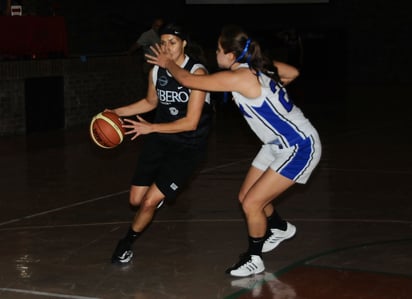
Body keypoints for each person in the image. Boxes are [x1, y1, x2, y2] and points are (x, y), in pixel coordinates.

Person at [146, 24, 322, 277]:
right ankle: (280, 227)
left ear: (230, 55)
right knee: (246, 197)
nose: (215, 53)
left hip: (299, 146)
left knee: (252, 203)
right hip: (275, 145)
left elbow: (188, 79)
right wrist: (269, 85)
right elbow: (292, 72)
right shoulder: (256, 68)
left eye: (218, 49)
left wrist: (167, 63)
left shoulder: (237, 76)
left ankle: (254, 258)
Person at [109, 23, 213, 264]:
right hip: (160, 141)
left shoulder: (197, 73)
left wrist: (151, 127)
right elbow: (150, 102)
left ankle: (126, 243)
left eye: (173, 42)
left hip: (187, 147)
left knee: (149, 201)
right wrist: (115, 112)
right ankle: (158, 195)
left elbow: (191, 122)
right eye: (163, 42)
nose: (167, 47)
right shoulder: (156, 71)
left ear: (184, 44)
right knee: (135, 200)